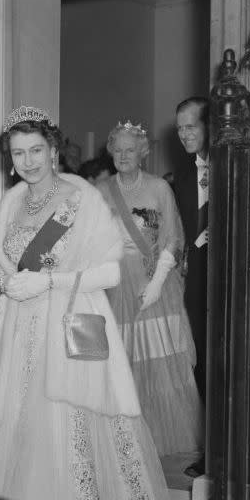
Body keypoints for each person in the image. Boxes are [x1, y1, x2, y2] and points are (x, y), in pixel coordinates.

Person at [0, 106, 171, 500]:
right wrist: (7, 281)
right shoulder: (8, 205)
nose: (27, 161)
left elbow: (110, 274)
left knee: (70, 432)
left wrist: (47, 281)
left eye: (36, 150)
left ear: (54, 149)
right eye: (18, 152)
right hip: (20, 335)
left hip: (67, 329)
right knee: (22, 430)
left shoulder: (82, 198)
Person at [95, 121, 203, 459]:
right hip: (114, 286)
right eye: (118, 149)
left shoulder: (159, 188)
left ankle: (160, 439)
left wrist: (157, 283)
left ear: (143, 153)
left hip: (154, 281)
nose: (123, 155)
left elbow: (173, 237)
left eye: (131, 149)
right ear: (110, 152)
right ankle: (126, 440)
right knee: (123, 362)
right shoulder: (100, 191)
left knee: (157, 360)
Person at [174, 97, 210, 477]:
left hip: (229, 274)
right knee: (200, 357)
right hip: (194, 281)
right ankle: (210, 452)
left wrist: (202, 240)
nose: (184, 134)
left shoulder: (233, 163)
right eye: (180, 128)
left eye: (191, 126)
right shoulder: (183, 174)